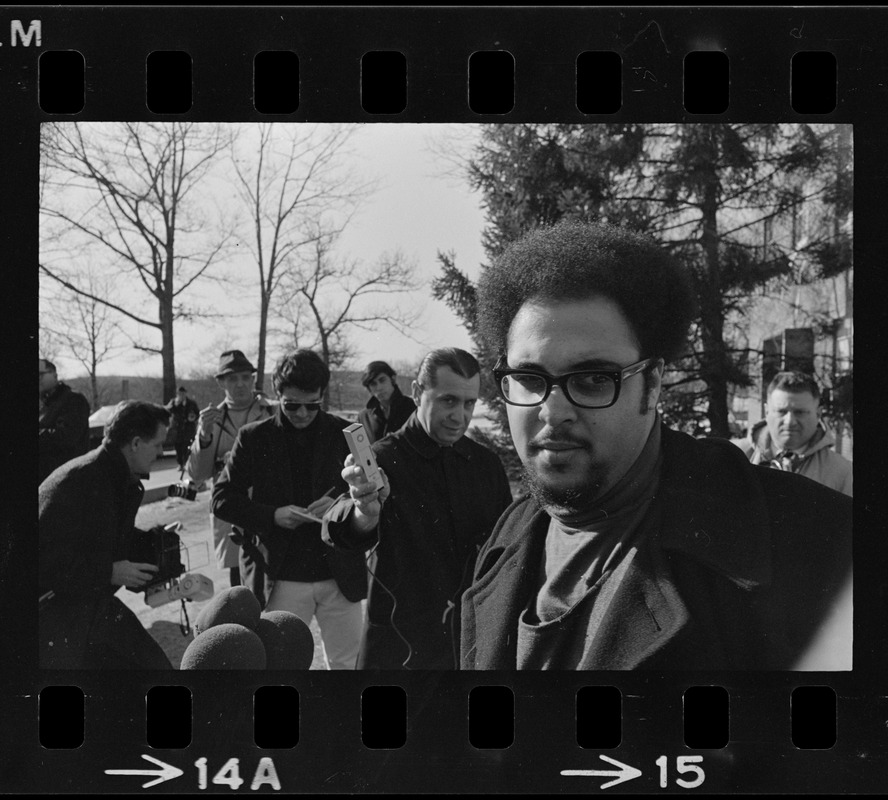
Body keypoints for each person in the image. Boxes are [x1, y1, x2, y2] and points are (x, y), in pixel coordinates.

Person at [459, 220, 852, 671]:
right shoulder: (506, 539)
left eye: (592, 379)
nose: (553, 410)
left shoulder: (813, 541)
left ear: (652, 383)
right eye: (529, 379)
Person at [323, 348, 513, 670]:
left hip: (469, 641)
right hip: (399, 647)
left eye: (470, 404)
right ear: (416, 393)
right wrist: (364, 514)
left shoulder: (485, 465)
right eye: (448, 401)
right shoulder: (381, 458)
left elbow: (506, 550)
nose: (460, 416)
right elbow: (335, 529)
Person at [212, 349, 367, 669]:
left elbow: (373, 493)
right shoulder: (254, 436)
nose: (302, 413)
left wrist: (342, 502)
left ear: (322, 395)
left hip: (339, 573)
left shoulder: (347, 433)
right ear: (275, 391)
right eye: (292, 404)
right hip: (280, 574)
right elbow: (222, 498)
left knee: (349, 665)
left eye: (312, 405)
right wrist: (272, 515)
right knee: (279, 667)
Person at [38, 400, 173, 669]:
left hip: (84, 604)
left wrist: (155, 544)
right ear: (135, 443)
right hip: (52, 614)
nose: (160, 452)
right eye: (158, 444)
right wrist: (109, 572)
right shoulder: (83, 480)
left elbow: (103, 538)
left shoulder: (112, 476)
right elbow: (41, 562)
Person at [185, 350, 274, 594]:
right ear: (221, 382)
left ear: (254, 379)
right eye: (233, 379)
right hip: (233, 511)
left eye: (246, 377)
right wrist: (203, 436)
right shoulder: (212, 418)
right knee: (241, 587)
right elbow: (197, 475)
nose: (241, 384)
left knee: (275, 581)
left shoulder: (272, 412)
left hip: (268, 505)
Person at [735, 371, 852, 496]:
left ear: (818, 414)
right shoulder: (734, 457)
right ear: (767, 411)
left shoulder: (843, 473)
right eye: (781, 411)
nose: (790, 421)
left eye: (800, 412)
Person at [39, 358, 91, 483]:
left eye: (40, 374)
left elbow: (66, 437)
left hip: (66, 481)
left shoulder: (73, 399)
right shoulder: (47, 403)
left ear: (55, 375)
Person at [357, 360, 416, 444]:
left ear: (393, 379)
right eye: (373, 384)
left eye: (382, 380)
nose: (379, 387)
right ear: (369, 388)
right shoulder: (364, 417)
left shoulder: (413, 408)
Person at [166, 386, 200, 475]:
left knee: (187, 447)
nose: (182, 395)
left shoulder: (191, 403)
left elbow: (197, 413)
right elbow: (167, 410)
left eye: (183, 393)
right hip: (177, 430)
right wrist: (175, 404)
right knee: (178, 447)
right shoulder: (173, 402)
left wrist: (193, 417)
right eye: (180, 394)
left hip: (188, 429)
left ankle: (186, 463)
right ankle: (180, 463)